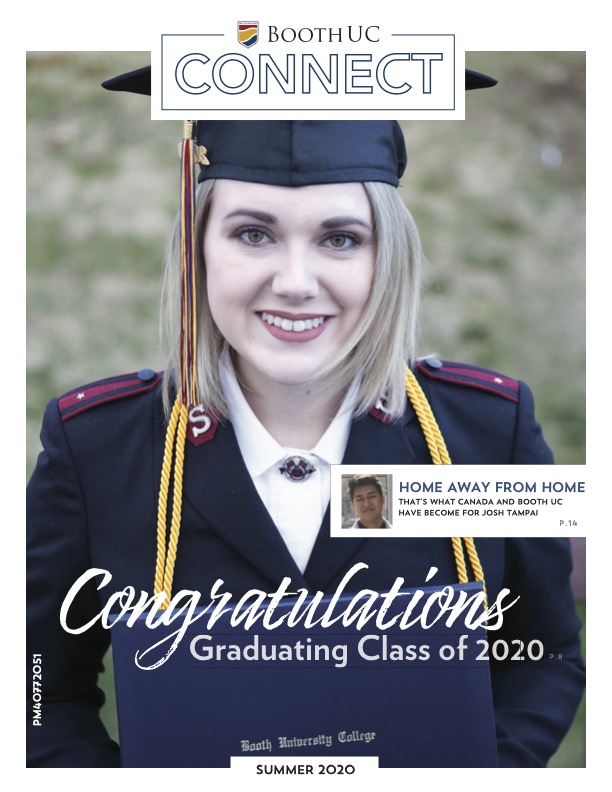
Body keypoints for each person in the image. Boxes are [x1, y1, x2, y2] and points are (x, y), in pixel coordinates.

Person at [26, 63, 585, 768]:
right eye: (253, 234)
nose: (295, 283)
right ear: (197, 250)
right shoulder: (98, 448)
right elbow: (37, 684)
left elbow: (545, 653)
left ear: (389, 258)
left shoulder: (485, 433)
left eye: (340, 238)